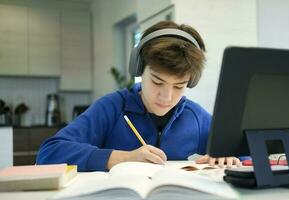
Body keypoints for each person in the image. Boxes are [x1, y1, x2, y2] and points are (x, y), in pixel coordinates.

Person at [37, 21, 241, 172]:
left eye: (179, 86)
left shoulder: (195, 117)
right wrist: (120, 158)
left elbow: (246, 152)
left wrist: (229, 157)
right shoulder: (112, 107)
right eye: (157, 82)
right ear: (139, 69)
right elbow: (49, 153)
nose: (167, 97)